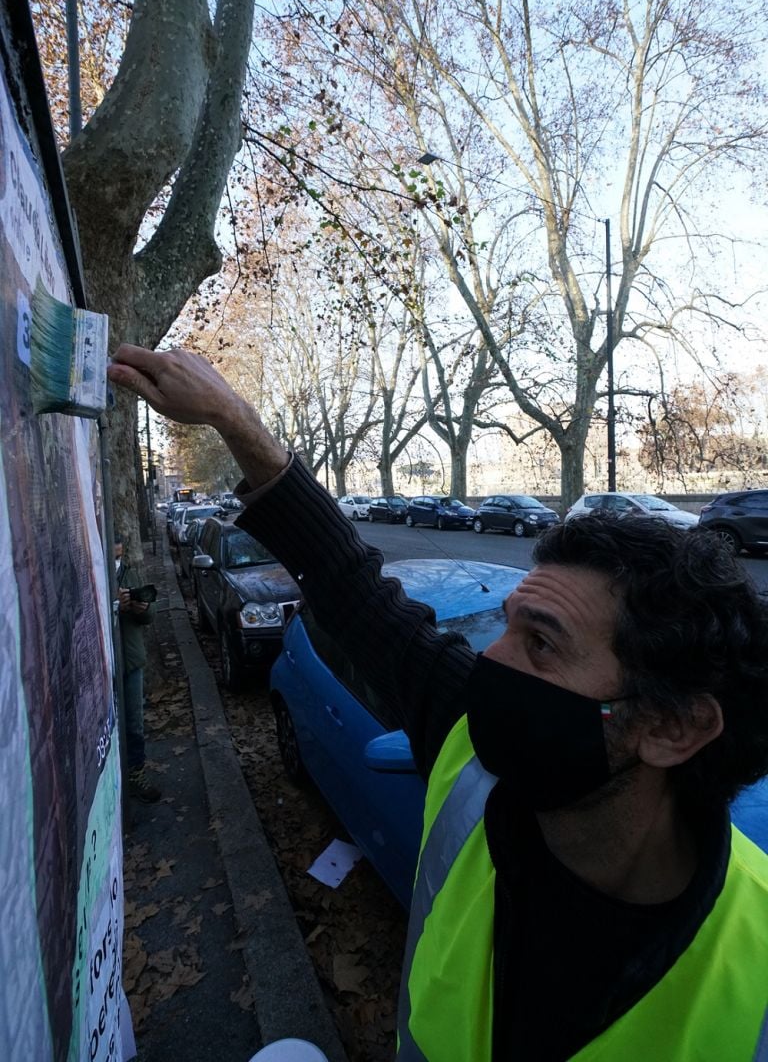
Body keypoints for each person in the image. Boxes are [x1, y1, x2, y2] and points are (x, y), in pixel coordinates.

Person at [107, 345, 768, 1061]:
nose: (489, 657)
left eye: (540, 643)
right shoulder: (476, 752)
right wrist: (235, 420)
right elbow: (350, 586)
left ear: (675, 726)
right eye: (508, 623)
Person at [114, 533, 161, 803]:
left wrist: (140, 608)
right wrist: (114, 605)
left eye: (120, 557)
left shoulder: (130, 576)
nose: (117, 563)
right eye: (113, 557)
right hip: (103, 665)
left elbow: (150, 616)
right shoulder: (93, 575)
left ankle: (136, 776)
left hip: (131, 661)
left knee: (134, 724)